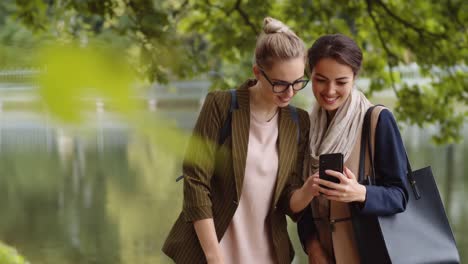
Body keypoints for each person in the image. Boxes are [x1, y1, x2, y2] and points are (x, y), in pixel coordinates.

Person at [163, 17, 319, 264]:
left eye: (298, 82)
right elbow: (195, 180)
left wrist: (308, 190)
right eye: (280, 84)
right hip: (213, 253)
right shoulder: (221, 105)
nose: (290, 93)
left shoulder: (298, 121)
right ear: (257, 72)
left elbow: (288, 199)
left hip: (268, 255)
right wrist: (215, 257)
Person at [297, 34, 409, 264]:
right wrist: (313, 247)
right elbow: (301, 200)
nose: (329, 91)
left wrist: (360, 193)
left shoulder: (377, 120)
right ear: (310, 76)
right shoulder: (307, 127)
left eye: (341, 82)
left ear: (354, 78)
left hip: (370, 254)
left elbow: (400, 195)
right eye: (320, 79)